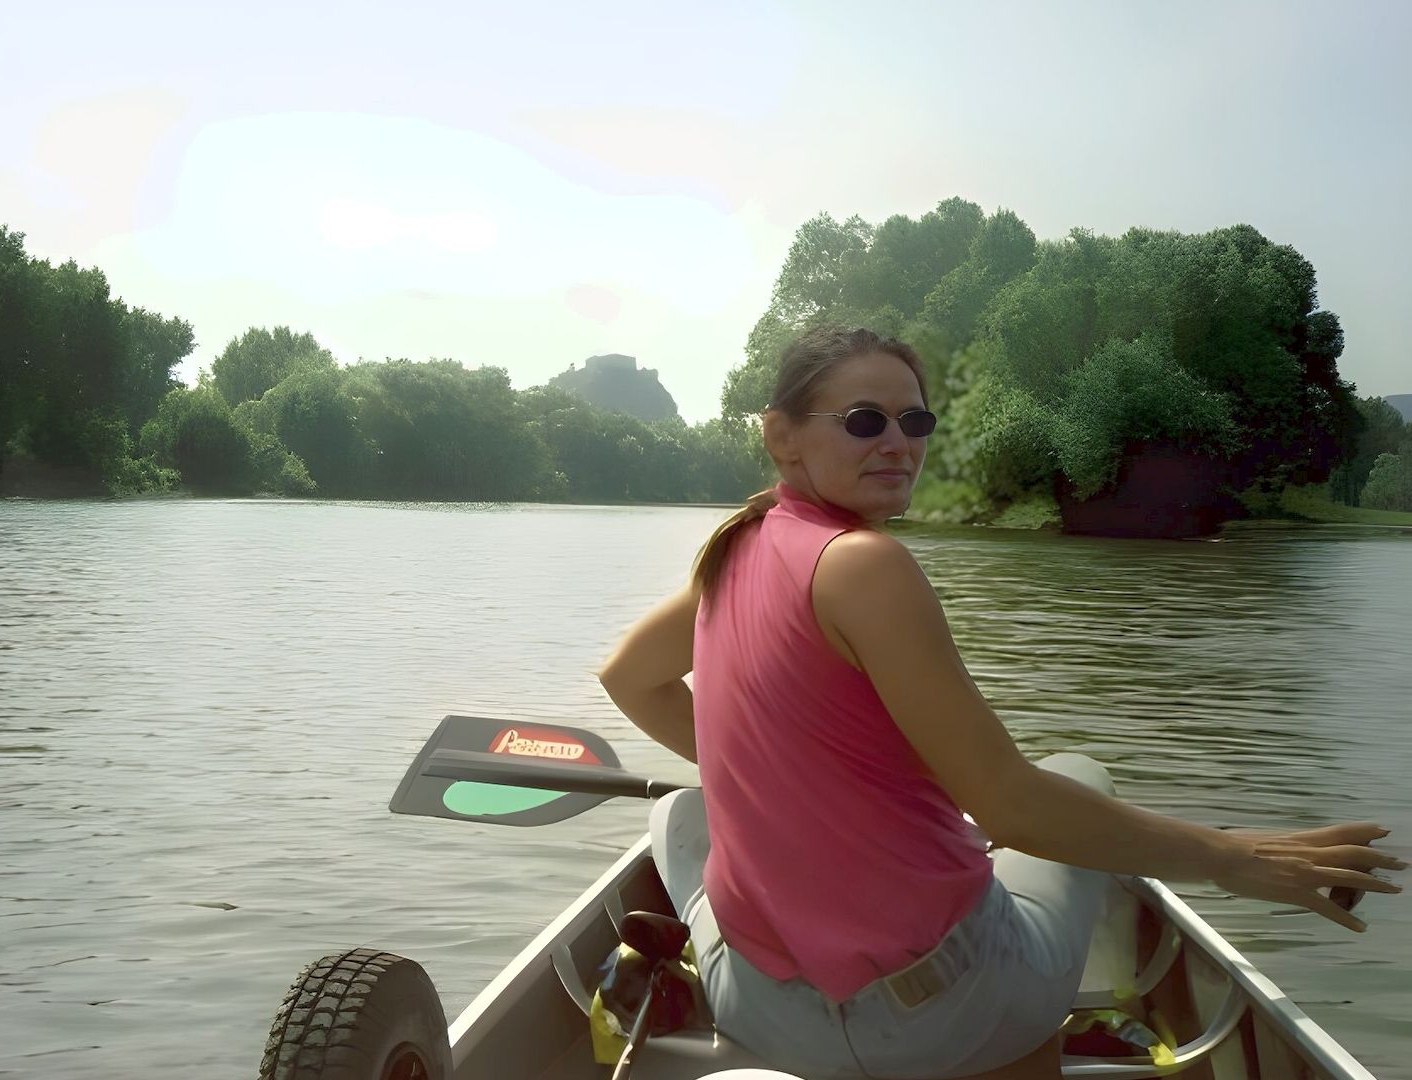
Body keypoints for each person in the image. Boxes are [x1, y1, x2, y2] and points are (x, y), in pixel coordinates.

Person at [594, 325, 1403, 1080]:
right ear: (782, 436)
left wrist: (789, 781)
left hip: (762, 1014)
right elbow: (1009, 809)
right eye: (865, 420)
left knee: (680, 815)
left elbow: (628, 676)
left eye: (917, 421)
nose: (898, 443)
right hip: (937, 1020)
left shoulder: (735, 550)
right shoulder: (863, 565)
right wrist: (1235, 859)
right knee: (1076, 774)